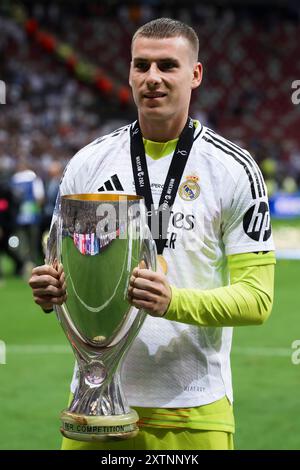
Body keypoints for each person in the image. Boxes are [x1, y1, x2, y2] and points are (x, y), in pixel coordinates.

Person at [29, 18, 275, 450]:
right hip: (94, 404)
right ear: (129, 72)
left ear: (195, 74)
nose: (153, 78)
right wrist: (49, 286)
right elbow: (58, 264)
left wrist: (172, 301)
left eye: (167, 66)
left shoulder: (234, 170)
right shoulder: (89, 163)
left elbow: (258, 298)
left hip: (195, 412)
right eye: (141, 65)